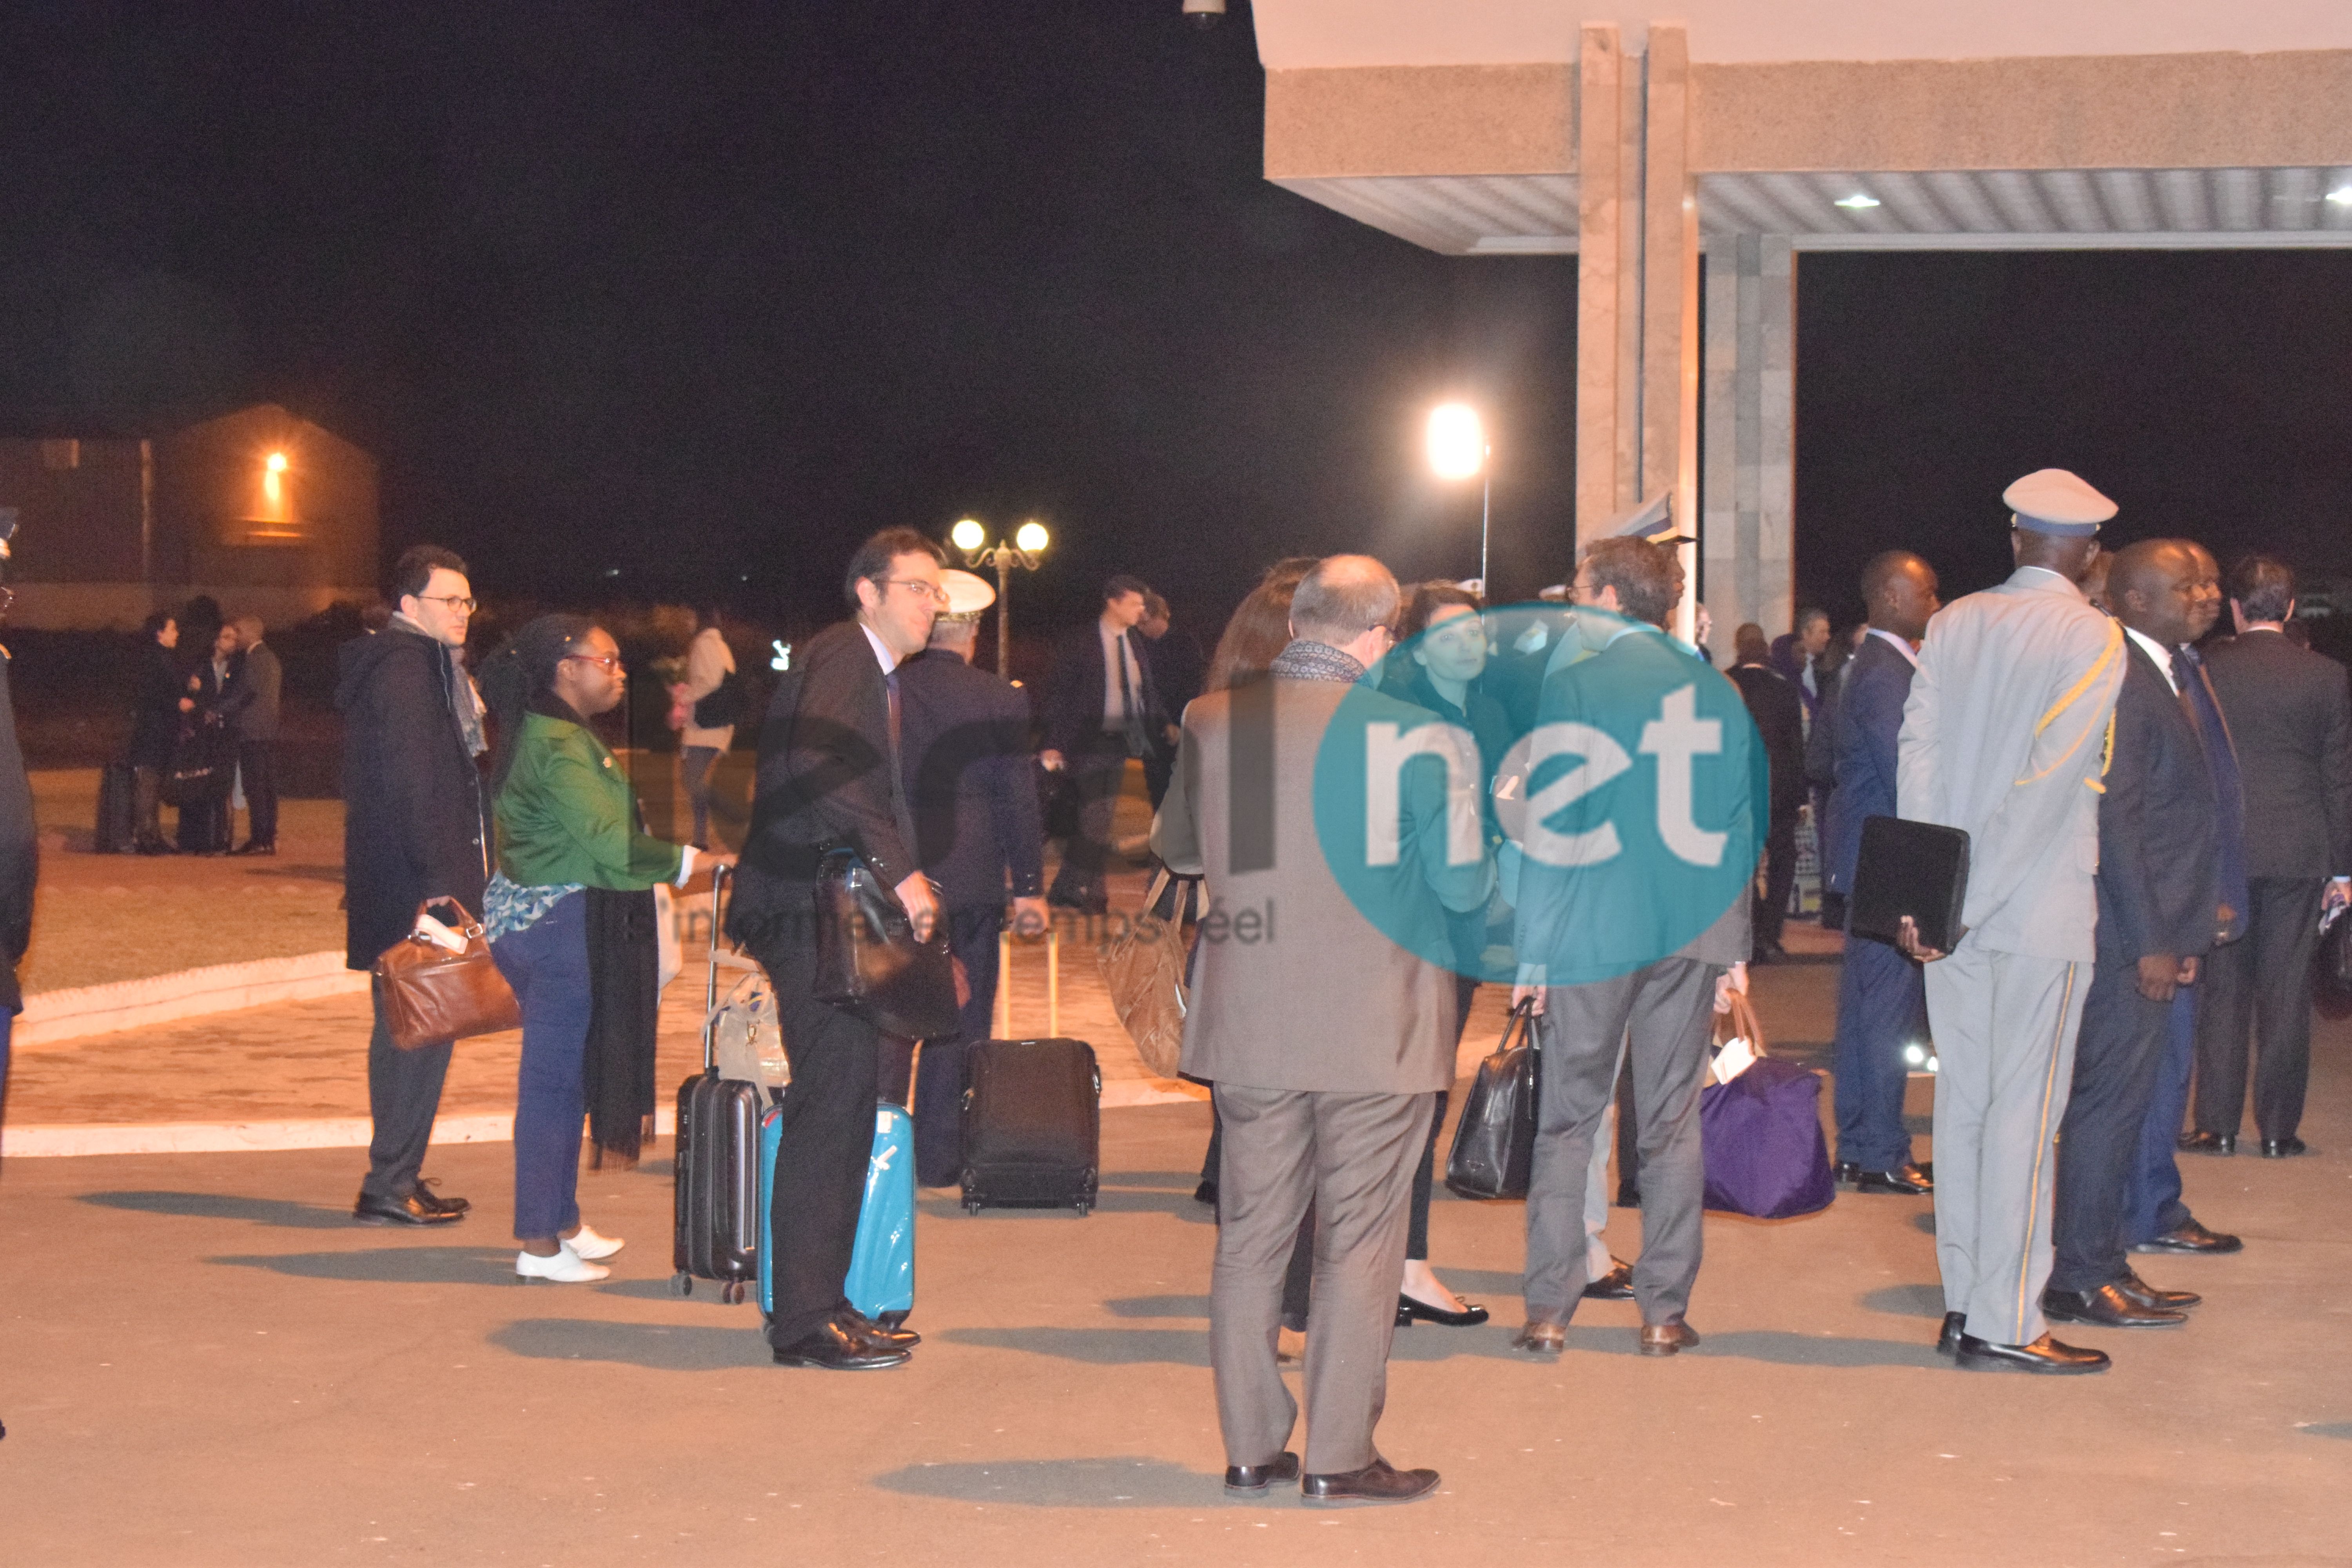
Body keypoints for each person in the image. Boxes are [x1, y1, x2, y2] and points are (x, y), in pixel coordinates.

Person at [1154, 554, 1488, 1506]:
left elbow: (1182, 849)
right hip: (1376, 1028)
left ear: (1301, 620)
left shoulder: (1218, 723)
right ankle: (1338, 1454)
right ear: (1380, 637)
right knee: (1360, 1241)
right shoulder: (1420, 736)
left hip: (1252, 1020)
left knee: (1251, 1236)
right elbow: (1464, 888)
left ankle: (1252, 1447)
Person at [1895, 468, 2125, 1374]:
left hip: (1945, 912)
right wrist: (1978, 897)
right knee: (2026, 1119)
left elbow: (1920, 759)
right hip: (2034, 911)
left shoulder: (1951, 626)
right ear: (2087, 552)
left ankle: (1963, 1303)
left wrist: (1933, 899)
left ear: (2017, 540)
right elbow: (2046, 787)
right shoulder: (2090, 637)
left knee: (1964, 1108)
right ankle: (2007, 1319)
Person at [1512, 535, 1755, 1361]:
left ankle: (1549, 1309)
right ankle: (1663, 1311)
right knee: (1671, 1120)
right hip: (1686, 933)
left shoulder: (1576, 685)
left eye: (1581, 587)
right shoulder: (1715, 687)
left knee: (1569, 1119)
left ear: (1613, 599)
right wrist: (1731, 950)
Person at [730, 526, 942, 1371]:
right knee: (833, 1103)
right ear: (869, 590)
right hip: (810, 912)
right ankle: (805, 1320)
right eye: (918, 587)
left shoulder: (856, 665)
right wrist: (905, 873)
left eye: (936, 591)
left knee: (846, 1101)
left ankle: (827, 1300)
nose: (933, 603)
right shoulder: (847, 657)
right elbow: (827, 768)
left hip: (821, 908)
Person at [479, 615, 718, 1282]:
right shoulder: (555, 742)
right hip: (558, 926)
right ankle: (538, 1242)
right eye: (606, 661)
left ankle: (561, 1220)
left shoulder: (557, 733)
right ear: (566, 668)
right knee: (553, 1086)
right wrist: (690, 860)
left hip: (560, 919)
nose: (618, 673)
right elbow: (610, 841)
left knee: (571, 1077)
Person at [2043, 540, 2227, 1332]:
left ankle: (2106, 1257)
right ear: (2136, 599)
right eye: (2189, 586)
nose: (2209, 595)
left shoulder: (2165, 669)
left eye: (2211, 582)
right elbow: (2115, 818)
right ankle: (2079, 1276)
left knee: (2127, 1103)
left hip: (2154, 926)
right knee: (2107, 1105)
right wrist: (2153, 935)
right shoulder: (2122, 674)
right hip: (2125, 935)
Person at [338, 544, 492, 1227]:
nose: (462, 613)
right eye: (448, 601)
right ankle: (387, 1183)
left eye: (467, 601)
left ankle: (399, 1172)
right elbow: (414, 783)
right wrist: (437, 886)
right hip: (417, 885)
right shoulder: (405, 672)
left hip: (418, 877)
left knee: (426, 1026)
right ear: (409, 607)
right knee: (415, 1029)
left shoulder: (429, 668)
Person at [2187, 553, 2352, 1158]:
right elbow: (2339, 778)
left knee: (2224, 989)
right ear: (2289, 607)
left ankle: (2217, 1125)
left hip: (2225, 848)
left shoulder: (2205, 668)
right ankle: (2280, 1131)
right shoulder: (2326, 676)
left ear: (2234, 607)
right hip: (2299, 850)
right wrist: (2344, 868)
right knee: (2286, 992)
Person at [1379, 581, 1510, 1328]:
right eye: (1454, 633)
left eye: (1478, 631)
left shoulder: (1489, 713)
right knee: (1395, 1099)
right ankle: (1395, 1265)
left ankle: (1403, 1263)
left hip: (1461, 932)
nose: (1472, 643)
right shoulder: (1401, 719)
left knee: (1424, 1097)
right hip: (1405, 926)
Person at [894, 603, 1049, 1186]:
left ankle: (876, 1151)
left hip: (897, 877)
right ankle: (938, 1157)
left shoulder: (889, 689)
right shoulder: (1000, 698)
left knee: (889, 1019)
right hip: (973, 881)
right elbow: (1018, 798)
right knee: (960, 1021)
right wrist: (1029, 887)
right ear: (974, 634)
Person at [1826, 553, 1939, 1194]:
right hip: (1888, 859)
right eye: (1925, 590)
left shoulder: (1876, 664)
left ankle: (1861, 1145)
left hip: (1871, 854)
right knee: (1886, 1012)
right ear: (1893, 596)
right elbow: (1909, 775)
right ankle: (1880, 1152)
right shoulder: (1885, 671)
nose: (1934, 598)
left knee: (1868, 1010)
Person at [1040, 574, 1163, 913]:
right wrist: (1054, 743)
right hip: (1088, 741)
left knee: (1099, 817)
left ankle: (1070, 887)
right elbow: (1061, 695)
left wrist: (1160, 725)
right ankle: (1089, 890)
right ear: (1114, 601)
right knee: (1096, 815)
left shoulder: (1135, 642)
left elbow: (1143, 692)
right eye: (1136, 603)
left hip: (1122, 742)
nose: (1142, 611)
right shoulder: (1083, 642)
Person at [1729, 623, 1806, 961]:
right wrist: (1800, 796)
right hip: (1779, 793)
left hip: (1737, 793)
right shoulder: (1785, 689)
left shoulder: (1724, 684)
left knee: (1742, 864)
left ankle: (1752, 924)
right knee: (1782, 861)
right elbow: (1795, 748)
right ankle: (1771, 931)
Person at [218, 615, 281, 855]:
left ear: (250, 633)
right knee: (266, 786)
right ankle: (267, 837)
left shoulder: (255, 658)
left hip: (252, 731)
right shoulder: (270, 657)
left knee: (255, 786)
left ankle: (260, 839)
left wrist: (218, 710)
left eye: (239, 632)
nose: (237, 636)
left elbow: (247, 693)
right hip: (266, 731)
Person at [1137, 590, 1204, 811]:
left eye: (1143, 622)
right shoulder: (1140, 648)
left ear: (1154, 616)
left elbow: (1194, 685)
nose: (1140, 628)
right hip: (1154, 730)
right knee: (1157, 787)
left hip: (1181, 725)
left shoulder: (1185, 643)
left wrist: (1180, 722)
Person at [679, 606, 739, 850]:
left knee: (692, 781)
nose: (686, 622)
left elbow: (711, 681)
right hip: (712, 726)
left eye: (690, 616)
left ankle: (734, 813)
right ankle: (700, 839)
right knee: (693, 782)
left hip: (706, 728)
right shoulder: (718, 644)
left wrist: (685, 697)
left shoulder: (705, 643)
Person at [127, 612, 183, 855]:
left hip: (159, 730)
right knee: (149, 783)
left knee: (154, 783)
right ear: (159, 634)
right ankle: (147, 837)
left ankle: (152, 835)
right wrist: (178, 703)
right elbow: (153, 696)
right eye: (172, 629)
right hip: (153, 732)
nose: (177, 634)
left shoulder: (161, 658)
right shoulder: (155, 659)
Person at [1769, 606, 1831, 725]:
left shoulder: (1819, 669)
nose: (1828, 637)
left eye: (1828, 632)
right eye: (1823, 632)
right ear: (1806, 634)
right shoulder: (1790, 667)